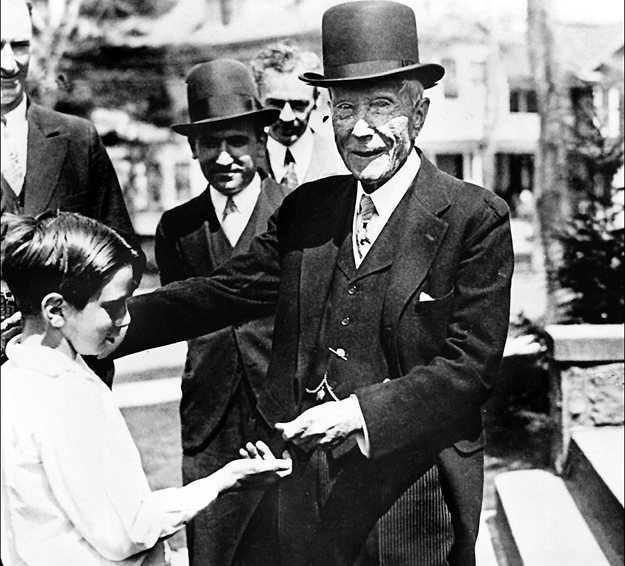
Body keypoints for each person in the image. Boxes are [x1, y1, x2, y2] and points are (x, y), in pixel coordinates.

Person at [109, 1, 515, 564]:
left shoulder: (474, 218)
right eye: (345, 109)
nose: (362, 130)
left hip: (413, 499)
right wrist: (104, 323)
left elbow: (468, 369)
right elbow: (222, 292)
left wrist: (357, 414)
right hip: (308, 495)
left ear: (419, 113)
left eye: (381, 106)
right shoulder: (309, 210)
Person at [0, 211, 290, 566]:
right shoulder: (70, 393)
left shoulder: (11, 379)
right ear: (56, 310)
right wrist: (215, 484)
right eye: (113, 306)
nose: (126, 318)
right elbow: (129, 531)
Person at [154, 59, 289, 566]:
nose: (225, 157)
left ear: (261, 140)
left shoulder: (297, 212)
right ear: (193, 148)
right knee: (214, 549)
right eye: (211, 144)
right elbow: (178, 313)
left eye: (237, 141)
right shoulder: (177, 229)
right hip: (209, 420)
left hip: (281, 413)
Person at [250, 40, 348, 191]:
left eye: (298, 105)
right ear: (258, 101)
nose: (286, 117)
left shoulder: (342, 162)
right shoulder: (243, 165)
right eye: (275, 104)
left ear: (317, 99)